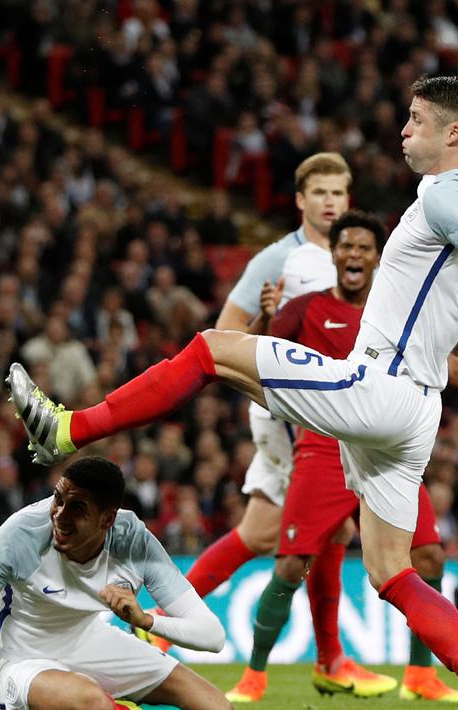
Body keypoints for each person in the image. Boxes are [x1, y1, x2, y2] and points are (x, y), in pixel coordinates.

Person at [8, 74, 458, 710]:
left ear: (453, 132)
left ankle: (67, 430)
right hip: (418, 413)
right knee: (390, 569)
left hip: (377, 385)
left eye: (415, 119)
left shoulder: (447, 196)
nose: (404, 130)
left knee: (213, 348)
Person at [227, 210, 458, 702]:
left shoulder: (394, 307)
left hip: (382, 442)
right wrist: (264, 314)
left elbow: (438, 364)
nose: (354, 254)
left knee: (428, 556)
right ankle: (253, 676)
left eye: (363, 247)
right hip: (321, 445)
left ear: (378, 257)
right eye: (345, 246)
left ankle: (420, 676)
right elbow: (260, 354)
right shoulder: (305, 308)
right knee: (291, 565)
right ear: (333, 255)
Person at [0, 457, 230, 710]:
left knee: (215, 705)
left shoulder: (134, 543)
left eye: (77, 508)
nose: (60, 515)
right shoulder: (23, 533)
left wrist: (145, 621)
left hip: (87, 640)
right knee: (89, 700)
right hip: (11, 661)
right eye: (58, 499)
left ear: (107, 519)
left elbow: (212, 636)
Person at [182, 153, 349, 606]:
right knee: (333, 521)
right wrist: (268, 321)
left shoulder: (353, 256)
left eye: (337, 192)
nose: (329, 202)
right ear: (300, 200)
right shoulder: (276, 259)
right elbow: (225, 336)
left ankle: (159, 617)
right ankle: (328, 660)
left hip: (333, 409)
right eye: (319, 193)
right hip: (290, 412)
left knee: (266, 532)